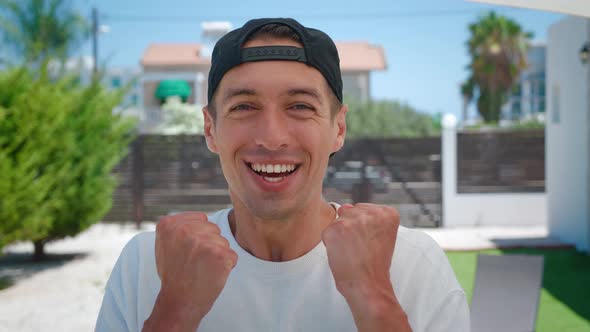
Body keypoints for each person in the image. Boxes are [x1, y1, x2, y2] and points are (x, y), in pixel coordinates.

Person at [96, 17, 469, 332]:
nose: (272, 138)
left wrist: (374, 297)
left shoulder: (411, 265)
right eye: (244, 106)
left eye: (300, 106)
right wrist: (174, 311)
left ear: (338, 128)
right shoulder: (148, 264)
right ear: (211, 130)